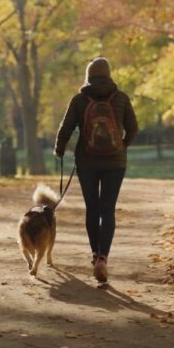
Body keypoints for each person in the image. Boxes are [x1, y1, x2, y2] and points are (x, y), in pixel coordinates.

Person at [54, 57, 138, 283]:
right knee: (107, 209)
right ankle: (103, 257)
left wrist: (59, 150)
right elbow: (133, 128)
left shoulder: (80, 99)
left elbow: (66, 128)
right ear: (109, 74)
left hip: (87, 162)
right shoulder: (120, 98)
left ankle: (94, 255)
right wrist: (121, 146)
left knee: (92, 208)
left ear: (88, 76)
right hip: (115, 163)